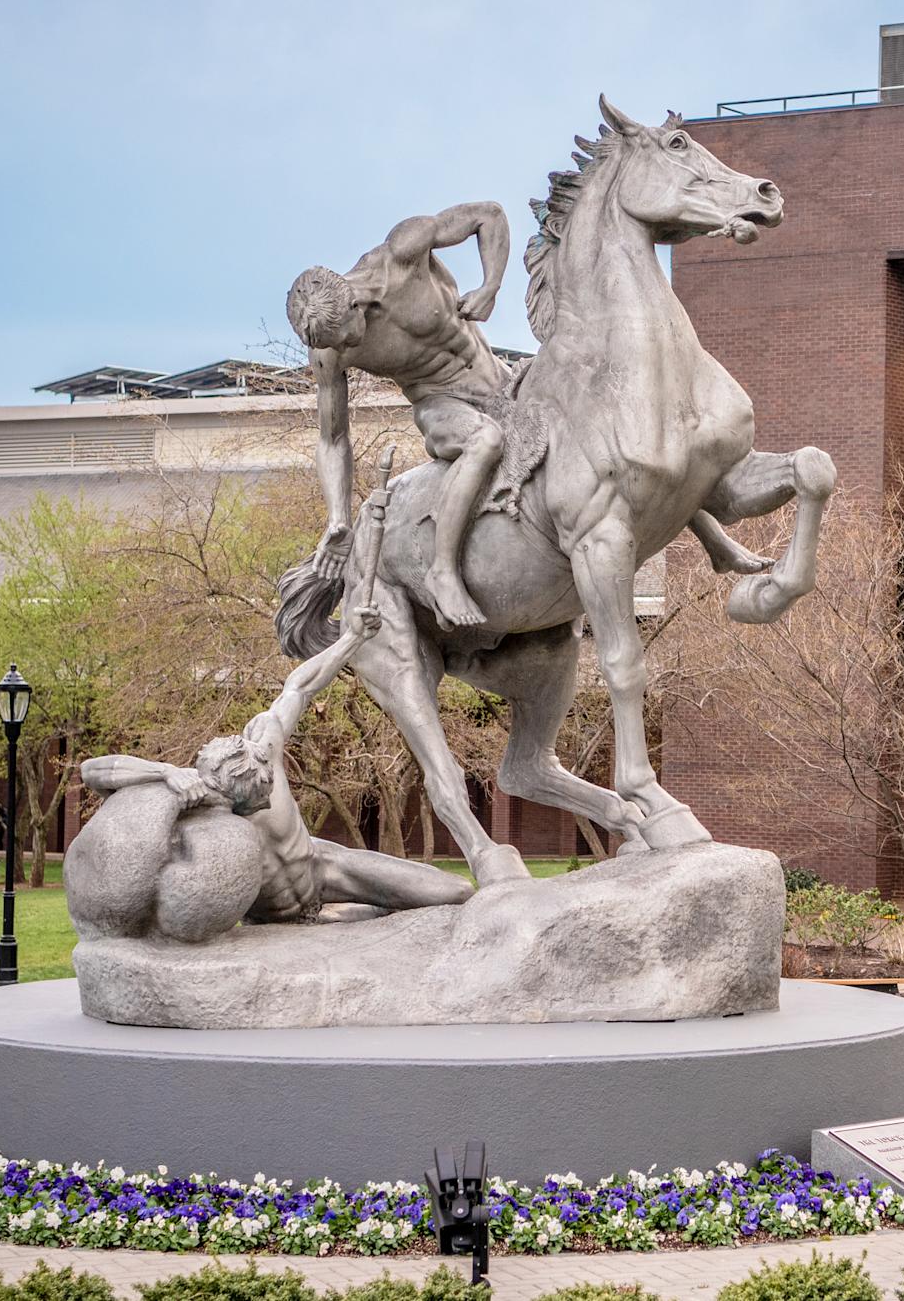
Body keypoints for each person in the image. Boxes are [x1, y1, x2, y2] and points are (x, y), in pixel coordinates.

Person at [287, 204, 771, 630]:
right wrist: (337, 518)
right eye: (332, 346)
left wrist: (490, 286)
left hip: (499, 375)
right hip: (440, 404)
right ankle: (441, 571)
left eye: (345, 336)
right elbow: (333, 440)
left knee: (605, 436)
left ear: (354, 301)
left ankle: (714, 539)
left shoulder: (402, 252)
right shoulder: (329, 352)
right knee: (484, 442)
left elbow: (489, 216)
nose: (344, 349)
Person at [81, 595, 470, 924]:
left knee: (456, 891)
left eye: (269, 781)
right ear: (232, 800)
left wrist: (352, 639)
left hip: (326, 870)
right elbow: (93, 770)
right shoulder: (195, 801)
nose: (270, 794)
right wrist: (163, 772)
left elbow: (299, 686)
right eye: (261, 797)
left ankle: (356, 914)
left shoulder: (262, 746)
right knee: (356, 920)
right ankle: (343, 919)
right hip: (271, 918)